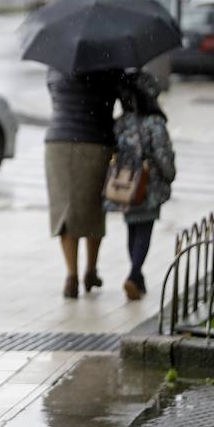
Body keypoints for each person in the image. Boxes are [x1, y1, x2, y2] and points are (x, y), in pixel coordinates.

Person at [45, 67, 121, 298]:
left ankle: (71, 275)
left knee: (65, 209)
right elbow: (117, 97)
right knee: (93, 208)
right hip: (95, 140)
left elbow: (54, 95)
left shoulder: (56, 66)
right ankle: (90, 270)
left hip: (58, 141)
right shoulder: (107, 66)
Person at [106, 71, 176, 300]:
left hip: (125, 186)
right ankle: (134, 274)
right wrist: (169, 175)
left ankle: (137, 277)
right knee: (144, 229)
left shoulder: (121, 123)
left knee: (132, 228)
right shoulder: (154, 123)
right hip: (148, 186)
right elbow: (163, 156)